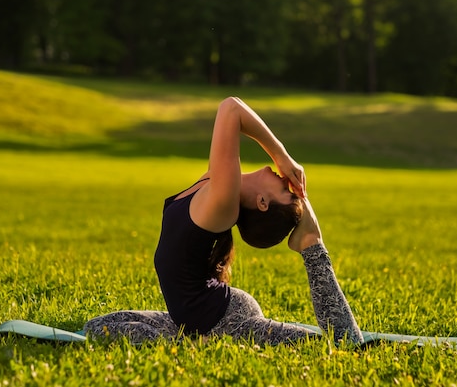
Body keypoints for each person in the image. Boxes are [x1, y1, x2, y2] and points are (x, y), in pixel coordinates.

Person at [84, 97, 363, 345]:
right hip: (207, 315)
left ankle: (311, 243)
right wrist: (282, 157)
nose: (282, 177)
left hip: (230, 325)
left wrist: (281, 155)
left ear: (263, 203)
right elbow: (231, 108)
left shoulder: (223, 201)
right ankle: (192, 339)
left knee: (340, 344)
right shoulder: (217, 184)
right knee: (96, 327)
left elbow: (230, 109)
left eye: (283, 189)